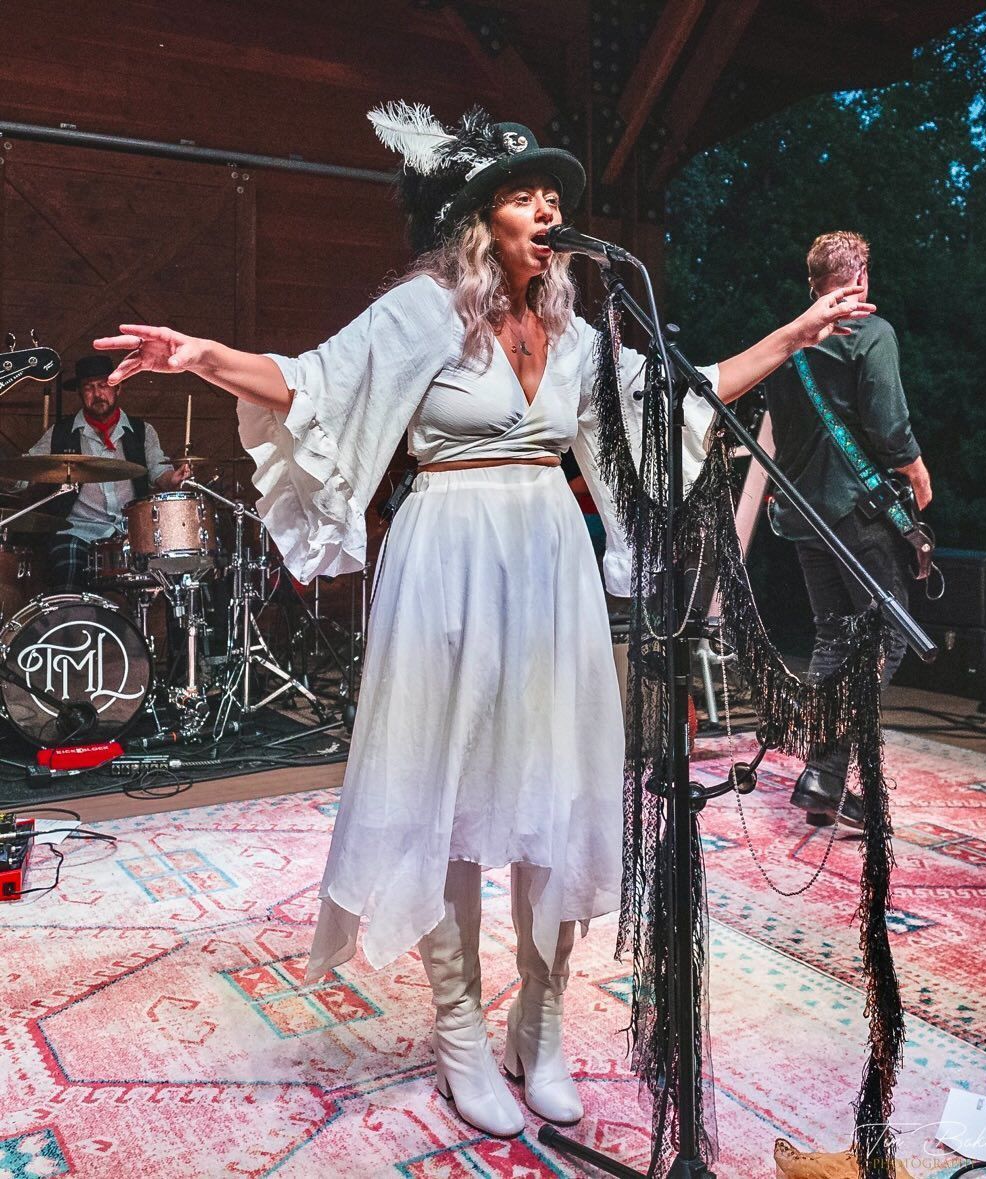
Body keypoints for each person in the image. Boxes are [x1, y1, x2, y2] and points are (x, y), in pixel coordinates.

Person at [94, 104, 873, 1138]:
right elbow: (307, 386)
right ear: (473, 217)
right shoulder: (423, 311)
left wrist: (789, 335)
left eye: (555, 194)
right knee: (450, 802)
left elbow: (678, 407)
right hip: (446, 557)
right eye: (523, 193)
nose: (549, 208)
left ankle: (539, 1031)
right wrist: (201, 356)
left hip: (549, 560)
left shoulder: (573, 330)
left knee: (556, 791)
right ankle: (462, 1032)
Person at [762, 231, 932, 832]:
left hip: (803, 515)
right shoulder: (870, 333)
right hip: (853, 511)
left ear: (814, 283)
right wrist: (914, 464)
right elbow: (887, 427)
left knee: (835, 637)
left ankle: (821, 775)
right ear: (860, 278)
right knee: (887, 633)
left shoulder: (789, 340)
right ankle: (829, 770)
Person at [23, 354, 191, 590]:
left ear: (118, 388)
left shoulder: (142, 432)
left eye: (104, 385)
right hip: (78, 530)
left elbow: (159, 472)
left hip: (132, 531)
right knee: (65, 568)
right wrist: (14, 479)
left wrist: (172, 479)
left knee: (176, 577)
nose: (98, 394)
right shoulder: (60, 433)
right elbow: (27, 468)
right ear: (81, 394)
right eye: (89, 388)